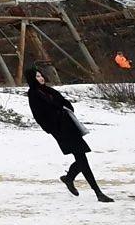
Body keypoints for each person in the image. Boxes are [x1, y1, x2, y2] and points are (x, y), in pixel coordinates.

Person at [26, 67, 113, 203]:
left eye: (41, 75)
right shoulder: (33, 94)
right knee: (82, 158)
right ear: (32, 78)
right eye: (37, 76)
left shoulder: (49, 90)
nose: (41, 78)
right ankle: (97, 193)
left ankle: (70, 178)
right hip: (59, 130)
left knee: (82, 158)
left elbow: (65, 103)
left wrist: (65, 108)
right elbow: (39, 116)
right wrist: (52, 128)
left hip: (70, 127)